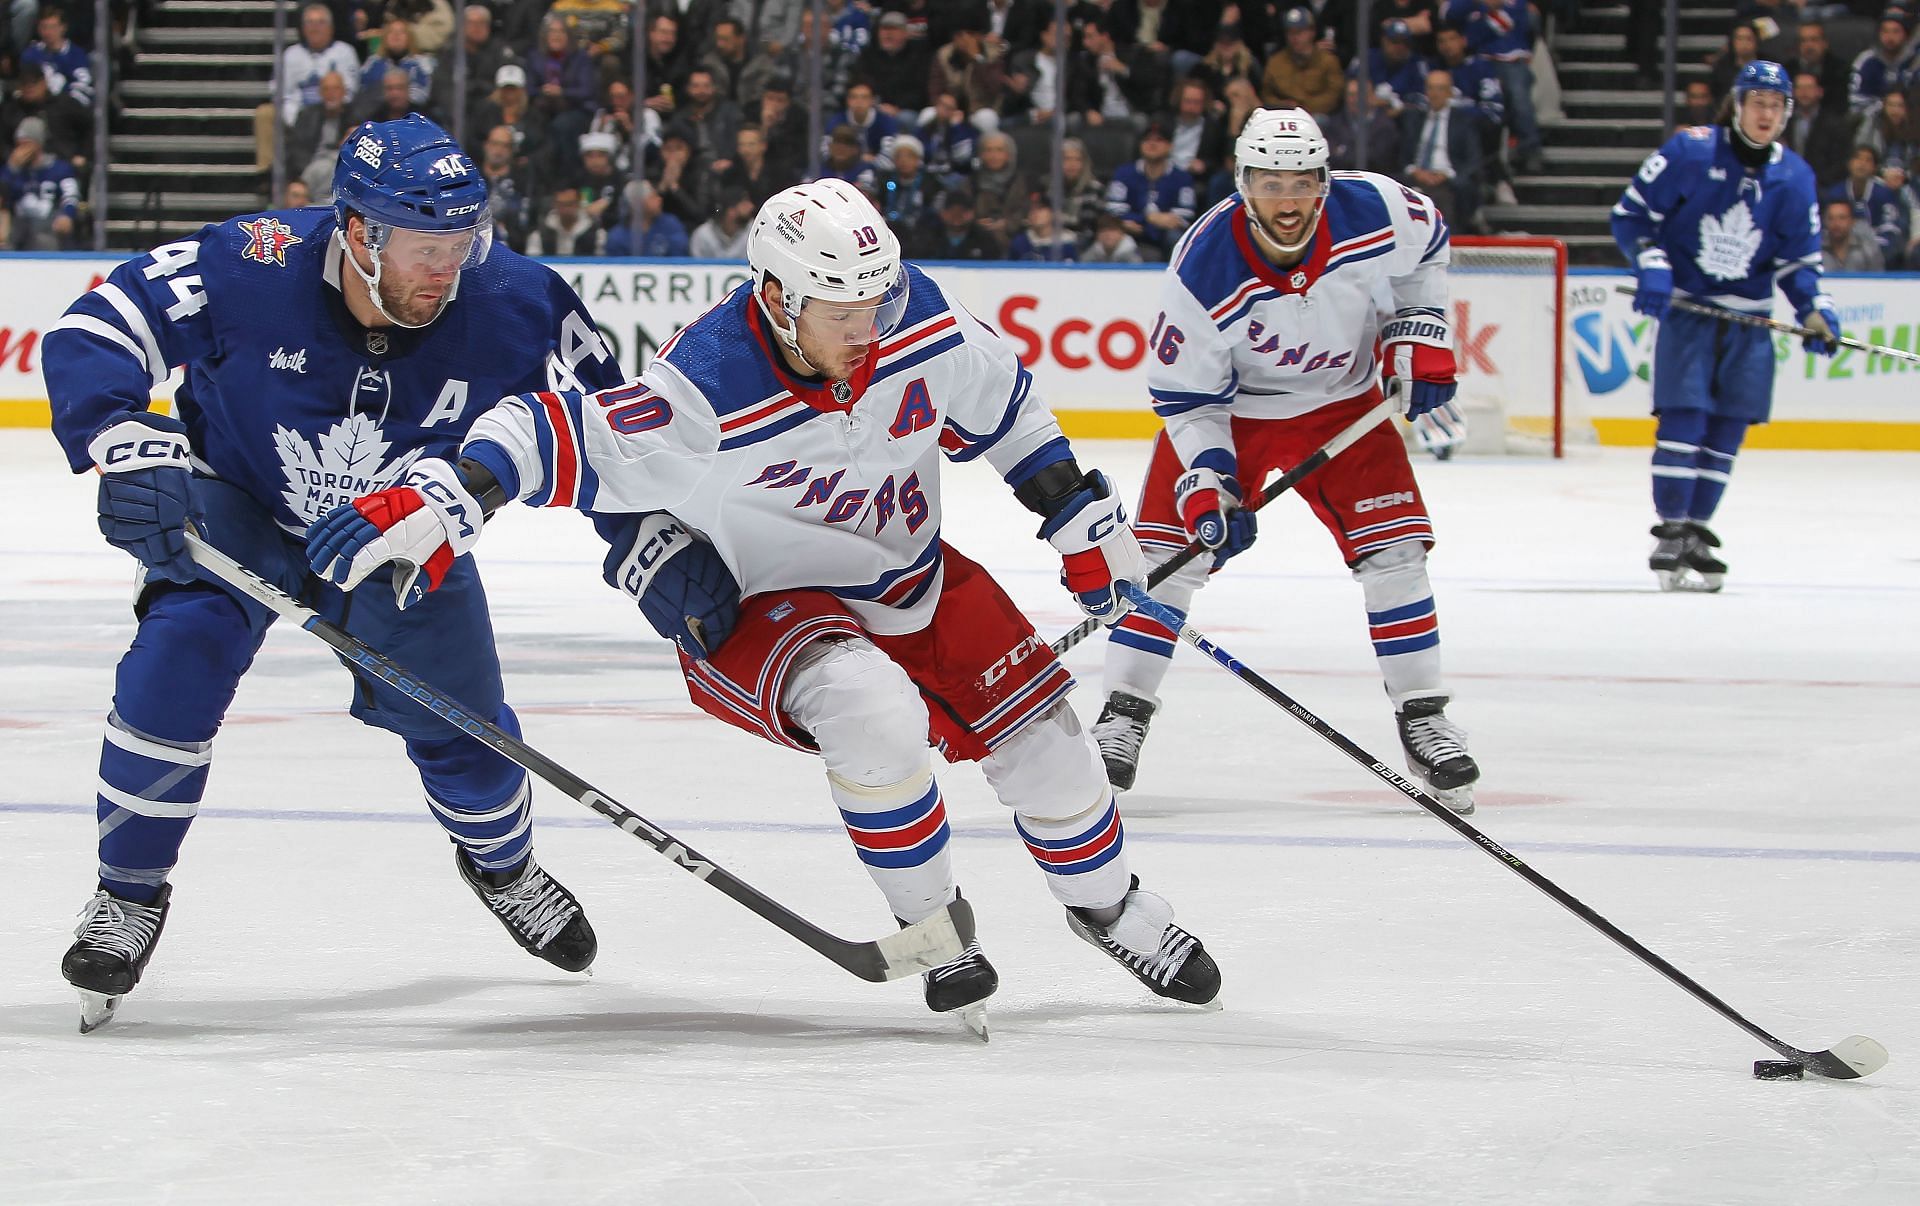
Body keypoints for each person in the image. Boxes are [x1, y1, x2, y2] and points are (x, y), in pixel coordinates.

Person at [301, 177, 1223, 1034]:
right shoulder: (706, 383)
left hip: (914, 577)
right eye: (841, 313)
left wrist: (1077, 512)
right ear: (780, 300)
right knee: (874, 713)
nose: (867, 329)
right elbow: (549, 430)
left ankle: (1112, 910)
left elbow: (1008, 408)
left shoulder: (917, 317)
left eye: (876, 302)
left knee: (1052, 750)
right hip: (765, 609)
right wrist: (443, 498)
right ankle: (937, 929)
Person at [38, 115, 622, 1033]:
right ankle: (129, 892)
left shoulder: (517, 300)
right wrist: (121, 439)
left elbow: (604, 426)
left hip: (398, 530)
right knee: (172, 670)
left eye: (463, 243)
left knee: (469, 735)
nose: (449, 268)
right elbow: (97, 328)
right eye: (427, 247)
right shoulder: (249, 262)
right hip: (238, 508)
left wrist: (643, 541)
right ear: (358, 231)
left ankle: (503, 866)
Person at [1091, 108, 1483, 814]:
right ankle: (1122, 717)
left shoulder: (1378, 210)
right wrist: (1208, 487)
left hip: (1347, 406)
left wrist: (1418, 333)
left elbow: (1431, 250)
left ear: (1324, 183)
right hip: (1236, 413)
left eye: (1302, 182)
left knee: (1397, 554)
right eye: (1271, 183)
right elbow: (1190, 403)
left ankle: (1424, 715)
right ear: (1244, 185)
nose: (1289, 200)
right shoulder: (1205, 265)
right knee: (1164, 563)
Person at [1611, 61, 1839, 593]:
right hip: (1691, 312)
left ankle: (1696, 529)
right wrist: (1651, 261)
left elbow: (1799, 263)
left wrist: (1815, 308)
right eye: (1757, 102)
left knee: (1729, 428)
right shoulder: (1690, 151)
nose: (1766, 114)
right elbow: (1631, 217)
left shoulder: (1795, 177)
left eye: (1776, 105)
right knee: (1685, 418)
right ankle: (1670, 527)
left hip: (1750, 321)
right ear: (1737, 105)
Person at [1, 114, 77, 248]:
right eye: (19, 144)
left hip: (48, 226)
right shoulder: (12, 171)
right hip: (18, 227)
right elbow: (3, 196)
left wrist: (67, 215)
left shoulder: (59, 169)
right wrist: (12, 168)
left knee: (43, 240)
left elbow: (70, 196)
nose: (22, 149)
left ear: (38, 144)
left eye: (27, 143)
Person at [280, 3, 361, 127]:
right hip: (298, 114)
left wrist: (329, 110)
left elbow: (350, 92)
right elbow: (284, 94)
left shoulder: (345, 52)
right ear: (303, 28)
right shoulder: (290, 54)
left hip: (336, 113)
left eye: (321, 22)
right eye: (310, 22)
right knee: (266, 112)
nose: (315, 27)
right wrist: (295, 118)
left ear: (331, 27)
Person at [1821, 194, 1884, 270]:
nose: (1836, 224)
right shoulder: (1817, 250)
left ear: (1852, 221)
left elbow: (1879, 279)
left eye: (1842, 218)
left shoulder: (1868, 249)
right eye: (1831, 218)